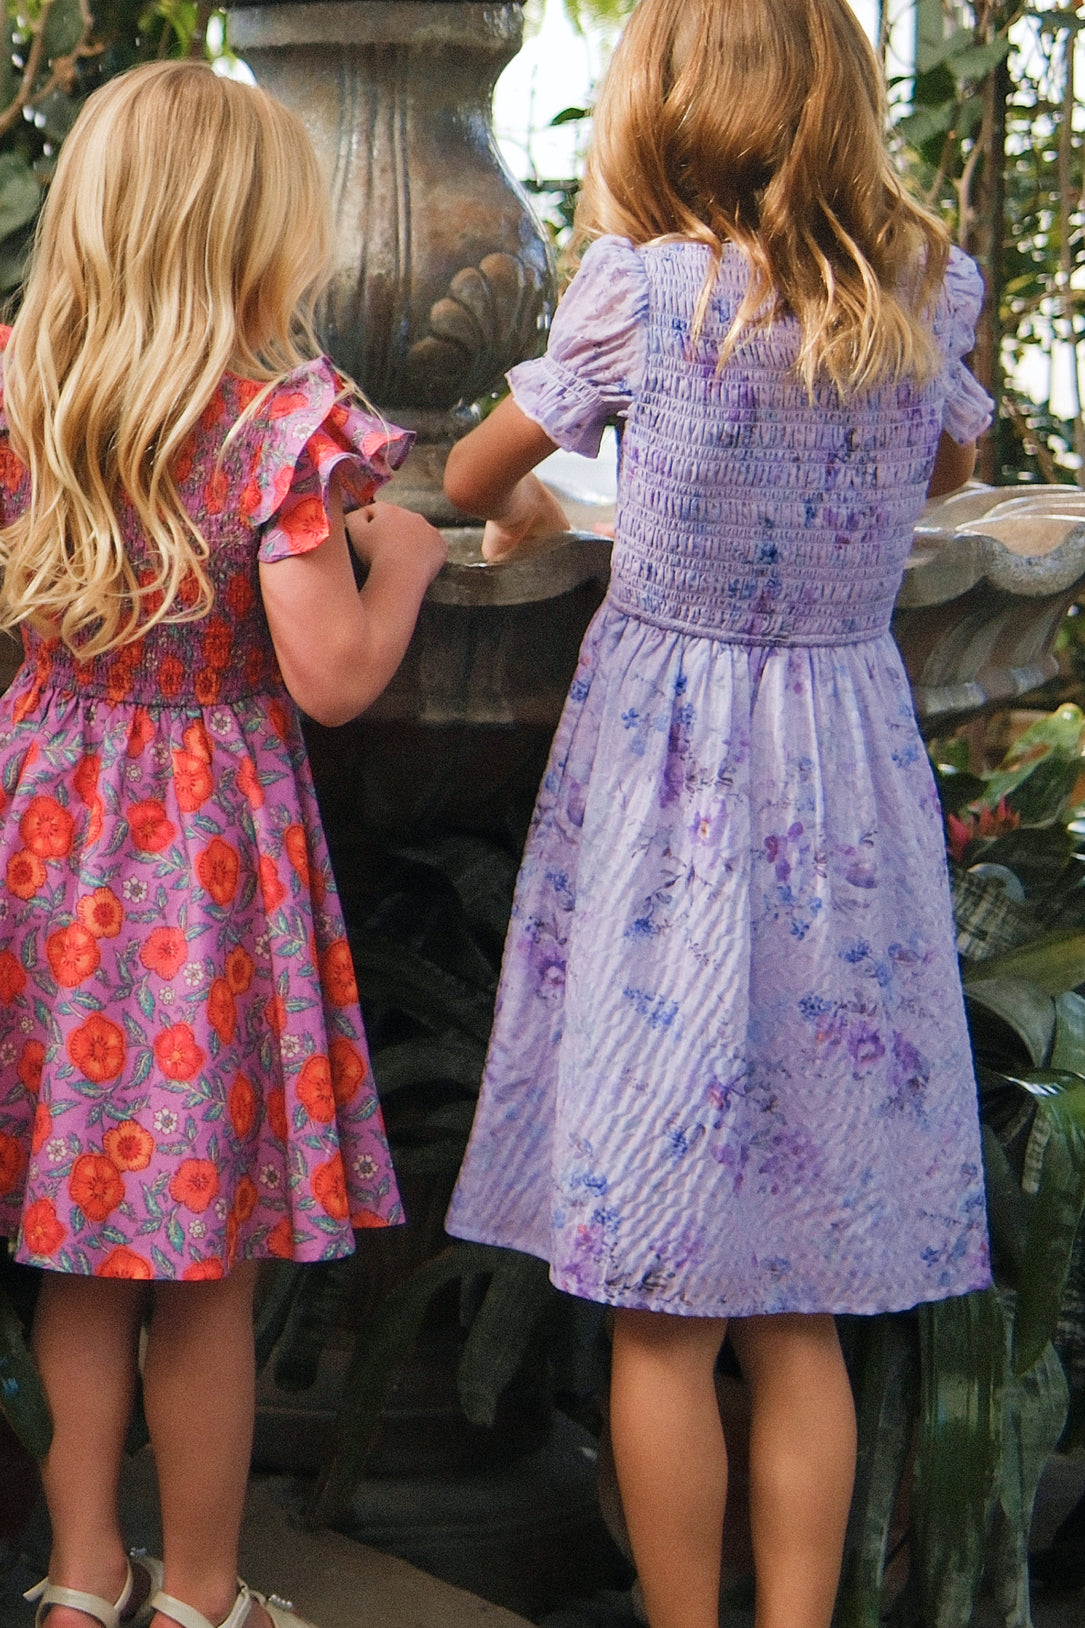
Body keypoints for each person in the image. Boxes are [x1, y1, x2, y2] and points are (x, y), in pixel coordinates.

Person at [443, 3, 993, 1626]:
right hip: (845, 796)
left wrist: (541, 498)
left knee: (663, 1305)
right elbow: (952, 476)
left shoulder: (646, 287)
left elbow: (476, 476)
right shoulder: (926, 288)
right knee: (803, 1297)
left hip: (668, 806)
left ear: (669, 99)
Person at [0, 61, 445, 1628]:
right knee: (199, 1253)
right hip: (200, 854)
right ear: (254, 235)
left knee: (78, 1233)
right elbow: (329, 677)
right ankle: (201, 1595)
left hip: (49, 827)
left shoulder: (22, 385)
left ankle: (77, 1573)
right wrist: (414, 568)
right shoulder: (284, 427)